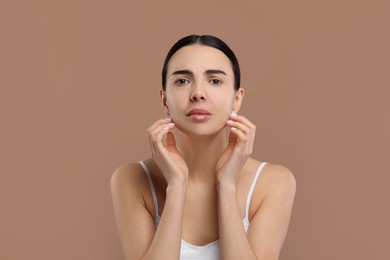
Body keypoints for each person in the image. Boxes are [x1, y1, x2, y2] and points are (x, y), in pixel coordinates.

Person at [110, 34, 296, 260]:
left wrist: (226, 184)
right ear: (164, 100)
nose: (198, 93)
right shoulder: (131, 179)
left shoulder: (274, 182)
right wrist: (177, 185)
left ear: (237, 99)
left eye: (215, 81)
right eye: (182, 81)